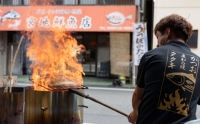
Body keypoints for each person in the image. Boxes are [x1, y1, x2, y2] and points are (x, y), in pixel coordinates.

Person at [128, 14, 200, 124]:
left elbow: (137, 96)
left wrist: (136, 113)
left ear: (167, 32)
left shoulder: (151, 56)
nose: (157, 43)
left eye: (158, 37)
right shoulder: (199, 62)